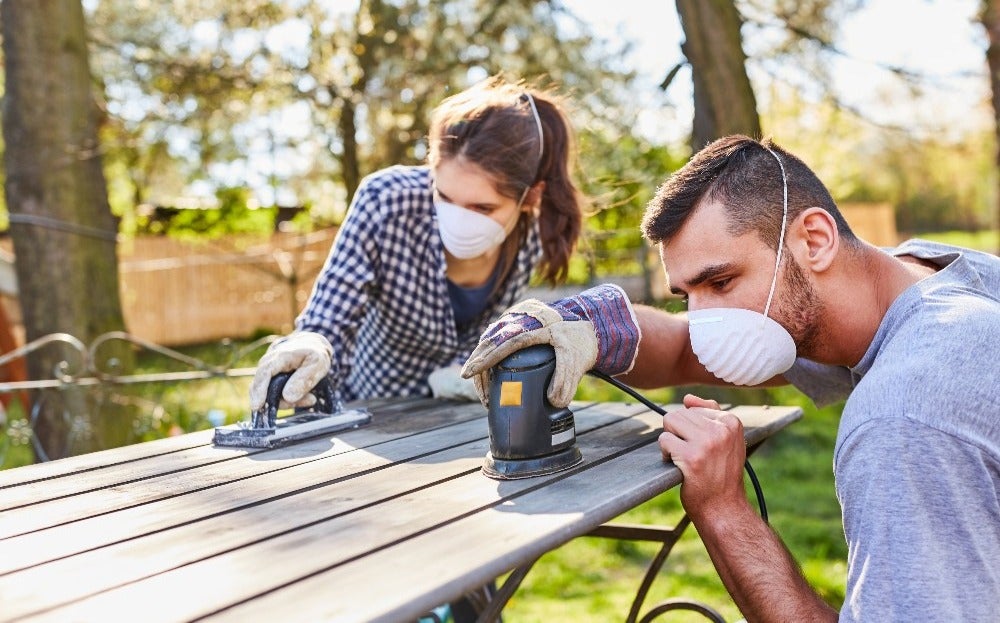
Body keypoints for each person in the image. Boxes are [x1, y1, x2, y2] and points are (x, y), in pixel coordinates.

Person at [461, 135, 1000, 622]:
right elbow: (676, 350)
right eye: (688, 295)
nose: (704, 320)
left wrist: (723, 511)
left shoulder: (903, 417)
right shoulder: (941, 275)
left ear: (814, 239)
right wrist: (595, 326)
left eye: (720, 281)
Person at [249, 75, 584, 413]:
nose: (460, 220)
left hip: (457, 420)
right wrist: (311, 346)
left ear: (530, 197)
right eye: (445, 196)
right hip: (365, 413)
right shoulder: (386, 201)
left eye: (483, 208)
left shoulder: (530, 239)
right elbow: (329, 317)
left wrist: (464, 370)